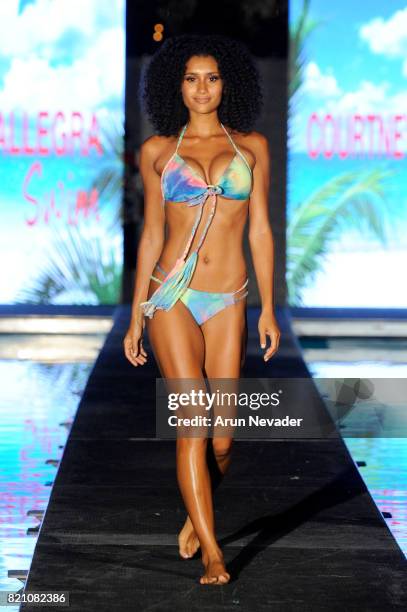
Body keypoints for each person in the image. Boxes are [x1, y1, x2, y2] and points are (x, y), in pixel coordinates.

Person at [123, 33, 280, 585]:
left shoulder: (252, 147)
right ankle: (215, 552)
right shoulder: (158, 152)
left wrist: (267, 308)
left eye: (211, 77)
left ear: (227, 82)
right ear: (177, 86)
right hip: (171, 295)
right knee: (193, 421)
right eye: (191, 78)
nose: (202, 88)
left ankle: (198, 509)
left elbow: (259, 230)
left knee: (224, 436)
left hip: (229, 298)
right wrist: (139, 312)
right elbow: (151, 236)